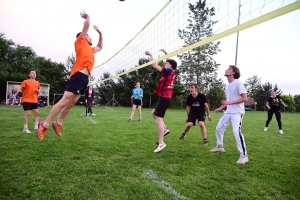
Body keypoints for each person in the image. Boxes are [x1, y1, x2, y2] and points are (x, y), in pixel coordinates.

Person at [36, 10, 103, 140]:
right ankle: (44, 125)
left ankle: (58, 123)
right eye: (88, 36)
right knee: (64, 102)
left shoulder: (90, 49)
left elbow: (100, 47)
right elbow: (87, 24)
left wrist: (100, 33)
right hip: (78, 75)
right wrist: (88, 16)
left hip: (84, 79)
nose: (90, 38)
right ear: (83, 37)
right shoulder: (80, 41)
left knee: (71, 103)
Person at [210, 65, 249, 164]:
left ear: (233, 72)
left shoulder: (238, 83)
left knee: (236, 131)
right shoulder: (227, 85)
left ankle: (244, 156)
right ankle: (220, 147)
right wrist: (221, 107)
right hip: (228, 112)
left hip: (237, 113)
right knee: (219, 128)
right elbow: (228, 100)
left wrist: (228, 104)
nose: (226, 70)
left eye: (229, 69)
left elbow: (245, 98)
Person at [145, 49, 177, 153]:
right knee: (153, 113)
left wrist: (151, 54)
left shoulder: (168, 71)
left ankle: (161, 142)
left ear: (170, 66)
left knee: (158, 119)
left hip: (165, 98)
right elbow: (170, 61)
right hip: (165, 98)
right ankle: (165, 129)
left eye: (166, 63)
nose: (165, 63)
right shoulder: (172, 71)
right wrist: (166, 54)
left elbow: (154, 65)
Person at [16, 69, 40, 133]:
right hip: (26, 100)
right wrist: (19, 93)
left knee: (37, 113)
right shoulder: (25, 81)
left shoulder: (37, 82)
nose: (34, 74)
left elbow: (38, 91)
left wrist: (38, 91)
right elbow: (20, 89)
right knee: (27, 114)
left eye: (35, 73)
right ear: (29, 75)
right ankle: (25, 128)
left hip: (34, 100)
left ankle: (36, 127)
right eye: (32, 73)